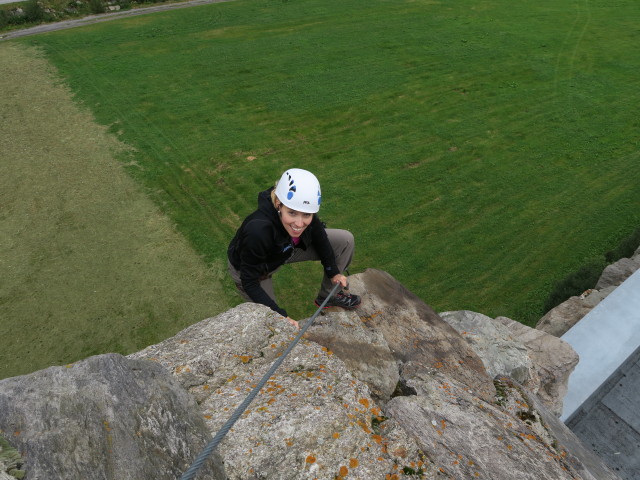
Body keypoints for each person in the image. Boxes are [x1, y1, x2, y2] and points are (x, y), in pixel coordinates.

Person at [227, 168, 361, 328]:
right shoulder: (258, 231)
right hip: (256, 269)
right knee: (275, 324)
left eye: (306, 215)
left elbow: (320, 238)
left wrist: (333, 272)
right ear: (278, 204)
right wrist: (280, 315)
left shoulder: (299, 206)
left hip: (284, 249)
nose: (299, 223)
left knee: (345, 240)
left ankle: (328, 295)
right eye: (292, 213)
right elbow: (249, 281)